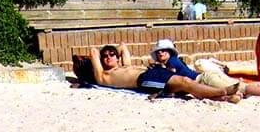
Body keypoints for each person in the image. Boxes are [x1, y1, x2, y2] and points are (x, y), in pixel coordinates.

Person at [149, 38, 260, 102]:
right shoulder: (172, 61)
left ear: (170, 52)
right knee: (240, 87)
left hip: (204, 79)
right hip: (203, 80)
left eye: (164, 51)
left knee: (244, 87)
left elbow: (172, 74)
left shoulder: (172, 61)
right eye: (159, 52)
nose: (161, 53)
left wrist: (157, 67)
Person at [89, 42, 239, 101]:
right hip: (144, 79)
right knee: (184, 82)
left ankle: (225, 98)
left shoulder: (124, 65)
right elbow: (93, 51)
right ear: (101, 61)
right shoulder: (104, 76)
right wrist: (101, 54)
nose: (108, 57)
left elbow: (122, 46)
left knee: (186, 85)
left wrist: (113, 50)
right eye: (105, 56)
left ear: (117, 56)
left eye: (112, 54)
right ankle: (222, 92)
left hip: (154, 73)